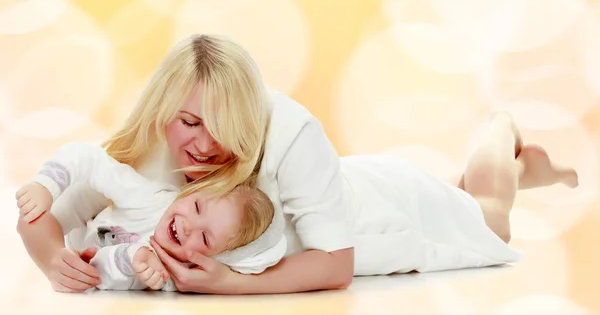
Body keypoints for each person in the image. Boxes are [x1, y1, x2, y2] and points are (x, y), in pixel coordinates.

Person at [16, 34, 578, 294]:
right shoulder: (150, 146)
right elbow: (41, 216)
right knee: (472, 200)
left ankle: (502, 134)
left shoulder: (292, 130)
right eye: (189, 123)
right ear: (164, 107)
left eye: (224, 129)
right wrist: (51, 263)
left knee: (486, 214)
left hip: (373, 208)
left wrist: (228, 284)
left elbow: (335, 267)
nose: (205, 147)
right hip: (339, 190)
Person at [16, 141, 285, 291]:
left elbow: (102, 278)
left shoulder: (169, 275)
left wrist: (133, 260)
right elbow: (88, 158)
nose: (189, 225)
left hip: (79, 250)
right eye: (197, 207)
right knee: (35, 212)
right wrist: (46, 186)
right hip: (84, 213)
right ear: (191, 192)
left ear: (213, 258)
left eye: (205, 237)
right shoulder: (148, 197)